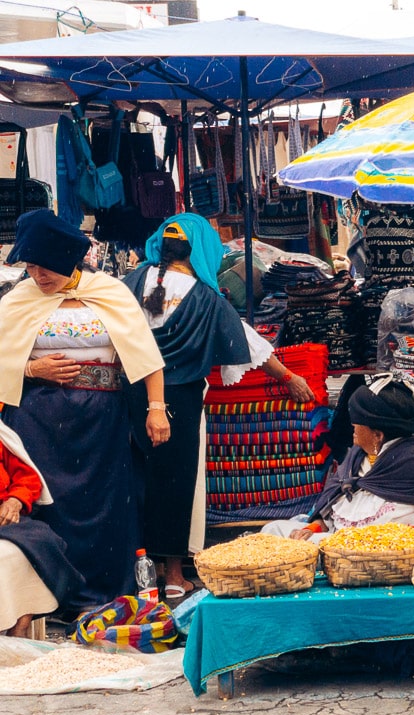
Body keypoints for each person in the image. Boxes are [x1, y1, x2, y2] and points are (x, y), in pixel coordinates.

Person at [124, 214, 316, 599]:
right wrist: (289, 378)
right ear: (202, 251)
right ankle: (176, 578)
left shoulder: (129, 285)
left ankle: (143, 574)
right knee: (176, 485)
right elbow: (249, 343)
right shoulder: (207, 298)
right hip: (178, 399)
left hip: (129, 396)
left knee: (136, 481)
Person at [0, 209, 168, 611]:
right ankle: (51, 597)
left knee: (105, 505)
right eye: (31, 267)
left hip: (100, 421)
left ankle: (107, 595)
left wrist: (156, 408)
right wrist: (30, 368)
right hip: (37, 420)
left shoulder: (109, 292)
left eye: (46, 268)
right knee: (50, 505)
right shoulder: (18, 299)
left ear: (67, 260)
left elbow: (146, 355)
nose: (39, 277)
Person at [262, 376, 414, 542]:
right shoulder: (355, 458)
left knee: (315, 547)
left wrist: (407, 536)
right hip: (342, 539)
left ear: (378, 435)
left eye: (358, 422)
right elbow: (331, 511)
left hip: (376, 548)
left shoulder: (412, 463)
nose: (352, 426)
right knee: (273, 530)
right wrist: (313, 527)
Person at [0, 419, 83, 636]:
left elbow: (27, 477)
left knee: (41, 540)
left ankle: (21, 626)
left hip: (4, 518)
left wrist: (15, 500)